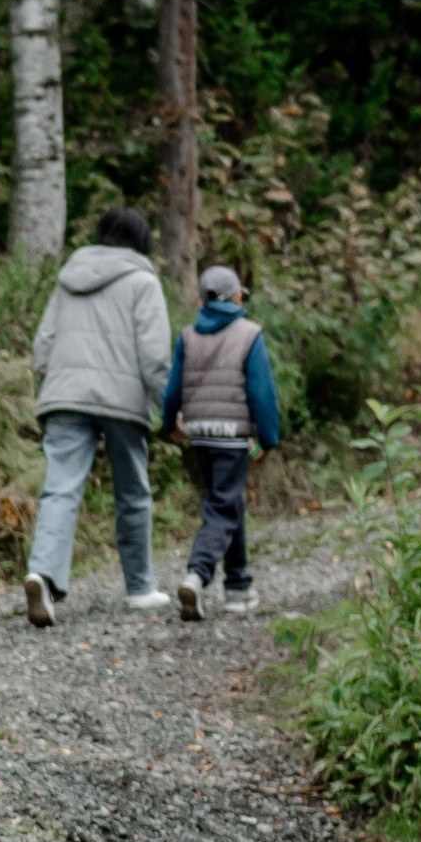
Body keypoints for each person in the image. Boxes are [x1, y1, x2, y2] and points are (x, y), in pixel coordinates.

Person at [24, 203, 174, 625]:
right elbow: (154, 356)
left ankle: (43, 575)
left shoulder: (68, 278)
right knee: (132, 494)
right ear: (142, 240)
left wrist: (55, 379)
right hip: (122, 400)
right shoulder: (143, 280)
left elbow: (43, 346)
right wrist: (168, 406)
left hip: (65, 396)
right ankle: (141, 587)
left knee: (60, 489)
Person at [163, 260, 281, 619]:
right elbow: (262, 394)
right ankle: (196, 575)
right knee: (222, 508)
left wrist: (170, 425)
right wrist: (269, 438)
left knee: (228, 503)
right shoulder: (249, 334)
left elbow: (173, 390)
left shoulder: (187, 336)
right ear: (235, 296)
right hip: (232, 436)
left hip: (199, 436)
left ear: (202, 301)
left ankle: (238, 586)